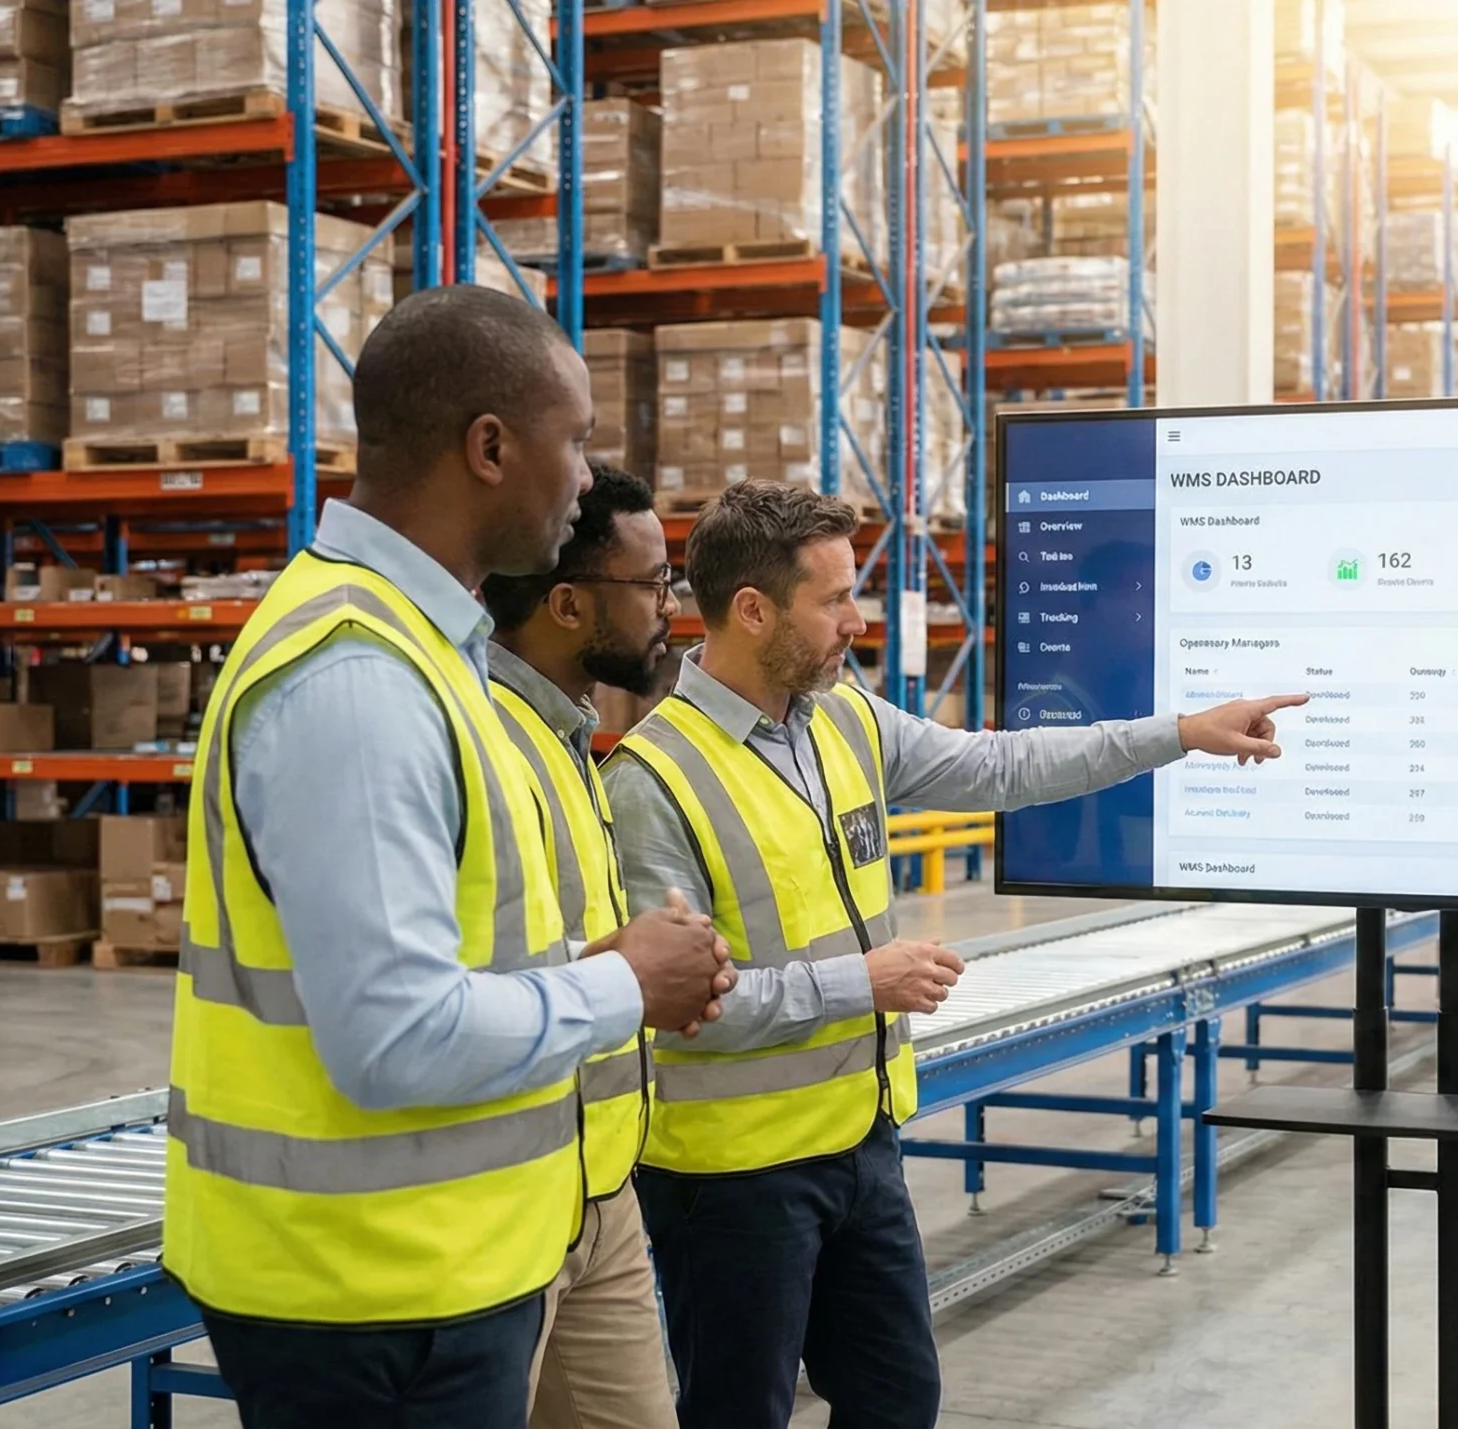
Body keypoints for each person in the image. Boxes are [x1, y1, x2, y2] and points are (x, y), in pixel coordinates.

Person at [605, 478, 1309, 1429]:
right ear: (754, 609)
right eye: (834, 599)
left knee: (898, 1396)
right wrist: (863, 982)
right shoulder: (654, 779)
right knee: (739, 1412)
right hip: (733, 1180)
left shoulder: (843, 720)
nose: (856, 621)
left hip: (861, 1141)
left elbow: (999, 765)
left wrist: (1180, 735)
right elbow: (677, 1005)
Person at [163, 286, 736, 1429]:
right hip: (367, 1294)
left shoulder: (427, 649)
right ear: (489, 447)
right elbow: (395, 1037)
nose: (583, 477)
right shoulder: (358, 677)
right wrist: (625, 983)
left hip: (438, 1265)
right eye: (574, 440)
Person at [477, 461, 679, 1429]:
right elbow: (468, 987)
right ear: (567, 604)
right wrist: (635, 974)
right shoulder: (487, 738)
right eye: (653, 583)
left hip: (600, 1187)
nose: (669, 607)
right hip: (508, 1204)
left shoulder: (567, 736)